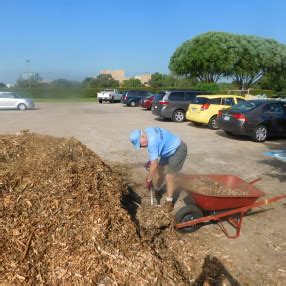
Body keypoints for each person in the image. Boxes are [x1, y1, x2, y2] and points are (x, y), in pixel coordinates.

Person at [129, 126, 187, 210]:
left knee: (169, 176)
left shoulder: (152, 142)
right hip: (167, 150)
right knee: (160, 168)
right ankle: (158, 189)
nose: (141, 147)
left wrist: (148, 181)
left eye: (140, 144)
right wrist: (152, 161)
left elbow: (154, 165)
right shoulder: (147, 131)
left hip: (178, 150)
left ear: (142, 137)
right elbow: (158, 147)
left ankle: (169, 202)